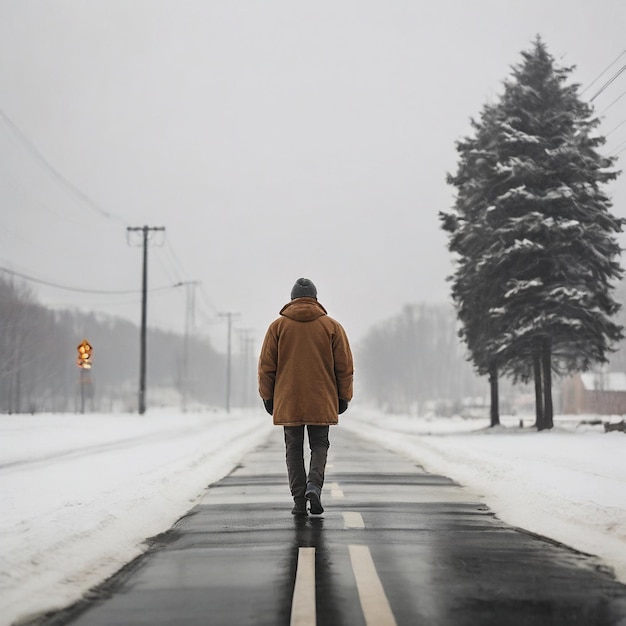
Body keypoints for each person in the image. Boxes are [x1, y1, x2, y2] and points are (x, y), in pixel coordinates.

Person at [258, 278, 354, 516]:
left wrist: (267, 397)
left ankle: (299, 500)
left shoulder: (277, 328)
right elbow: (345, 367)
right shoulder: (332, 327)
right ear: (315, 299)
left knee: (293, 448)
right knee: (319, 444)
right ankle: (314, 485)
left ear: (292, 300)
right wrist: (344, 396)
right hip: (322, 397)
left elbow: (266, 367)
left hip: (288, 399)